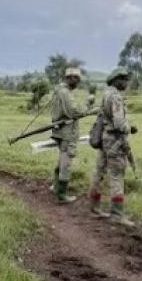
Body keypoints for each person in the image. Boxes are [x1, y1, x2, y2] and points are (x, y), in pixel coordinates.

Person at [88, 67, 138, 226]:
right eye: (124, 79)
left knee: (99, 171)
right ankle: (117, 215)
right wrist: (130, 128)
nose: (126, 83)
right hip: (115, 140)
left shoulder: (106, 94)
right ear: (117, 80)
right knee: (117, 174)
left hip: (104, 138)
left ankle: (94, 207)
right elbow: (118, 123)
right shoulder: (115, 97)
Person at [49, 67, 94, 204]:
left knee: (61, 160)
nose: (78, 82)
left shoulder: (59, 91)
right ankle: (61, 195)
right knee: (66, 164)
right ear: (69, 78)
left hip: (59, 132)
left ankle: (56, 187)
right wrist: (88, 103)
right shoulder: (65, 93)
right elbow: (75, 112)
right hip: (67, 133)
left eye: (78, 79)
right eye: (76, 79)